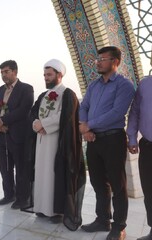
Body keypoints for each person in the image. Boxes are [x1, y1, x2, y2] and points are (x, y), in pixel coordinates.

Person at [79, 46, 135, 240]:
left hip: (113, 139)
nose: (98, 62)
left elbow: (116, 113)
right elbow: (84, 106)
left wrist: (88, 126)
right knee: (98, 182)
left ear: (115, 62)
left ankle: (119, 226)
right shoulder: (94, 85)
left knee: (118, 184)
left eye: (103, 59)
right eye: (98, 59)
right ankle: (102, 219)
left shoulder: (124, 85)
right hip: (94, 140)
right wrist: (85, 128)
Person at [29, 59, 86, 230]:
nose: (46, 78)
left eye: (49, 74)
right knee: (41, 174)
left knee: (52, 176)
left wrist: (44, 125)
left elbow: (65, 116)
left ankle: (55, 211)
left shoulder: (68, 94)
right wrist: (35, 124)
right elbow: (33, 112)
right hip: (41, 141)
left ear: (59, 75)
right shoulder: (43, 95)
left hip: (56, 143)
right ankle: (41, 208)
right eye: (45, 75)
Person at [0, 60, 34, 209]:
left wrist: (2, 120)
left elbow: (23, 110)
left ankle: (23, 198)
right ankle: (9, 194)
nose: (4, 75)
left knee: (21, 169)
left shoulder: (26, 89)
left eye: (6, 71)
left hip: (18, 135)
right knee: (5, 167)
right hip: (1, 135)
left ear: (15, 72)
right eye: (1, 72)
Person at [126, 76, 152, 240]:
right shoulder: (145, 84)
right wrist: (132, 138)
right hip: (148, 146)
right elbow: (135, 111)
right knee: (150, 190)